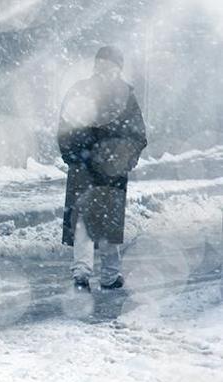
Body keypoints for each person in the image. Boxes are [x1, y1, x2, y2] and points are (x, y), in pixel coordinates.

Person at [58, 46, 148, 292]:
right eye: (103, 64)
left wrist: (74, 156)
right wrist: (126, 157)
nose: (104, 69)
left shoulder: (80, 90)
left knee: (84, 222)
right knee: (107, 223)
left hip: (86, 166)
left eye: (107, 64)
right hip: (110, 167)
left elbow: (65, 128)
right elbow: (137, 133)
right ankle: (108, 276)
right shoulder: (125, 95)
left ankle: (82, 274)